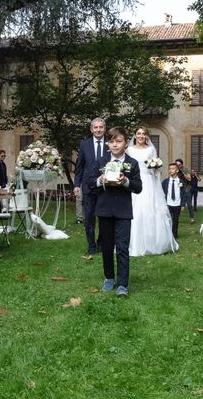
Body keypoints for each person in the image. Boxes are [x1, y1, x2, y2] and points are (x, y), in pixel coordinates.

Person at [89, 126, 142, 297]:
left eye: (118, 141)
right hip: (104, 210)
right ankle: (109, 277)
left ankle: (122, 284)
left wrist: (126, 181)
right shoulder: (100, 161)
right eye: (111, 141)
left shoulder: (132, 163)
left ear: (126, 143)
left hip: (123, 211)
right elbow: (89, 183)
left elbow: (138, 187)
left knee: (122, 247)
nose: (115, 145)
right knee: (106, 247)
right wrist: (99, 180)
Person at [126, 126, 178, 256]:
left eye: (144, 134)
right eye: (138, 133)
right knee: (135, 210)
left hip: (148, 181)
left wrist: (155, 167)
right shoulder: (129, 150)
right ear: (135, 135)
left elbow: (156, 168)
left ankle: (153, 242)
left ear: (147, 136)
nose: (141, 136)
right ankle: (133, 243)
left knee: (150, 209)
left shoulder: (150, 149)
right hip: (135, 181)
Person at [74, 117, 107, 258]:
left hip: (106, 186)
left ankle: (101, 243)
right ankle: (91, 246)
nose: (98, 130)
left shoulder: (110, 144)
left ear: (104, 128)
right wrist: (76, 184)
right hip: (88, 186)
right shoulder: (84, 144)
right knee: (89, 217)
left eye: (101, 127)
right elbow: (79, 166)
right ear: (91, 129)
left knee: (105, 217)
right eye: (96, 127)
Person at [162, 163, 184, 239]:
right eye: (169, 169)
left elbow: (183, 193)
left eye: (173, 169)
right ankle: (167, 234)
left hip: (177, 204)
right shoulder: (165, 182)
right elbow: (162, 192)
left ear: (177, 170)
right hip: (168, 203)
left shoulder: (181, 181)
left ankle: (174, 234)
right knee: (168, 219)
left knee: (176, 220)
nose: (170, 170)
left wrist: (183, 204)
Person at [175, 159, 195, 223]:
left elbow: (189, 179)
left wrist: (183, 174)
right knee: (178, 204)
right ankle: (176, 218)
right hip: (179, 188)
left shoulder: (186, 169)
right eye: (176, 164)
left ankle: (192, 218)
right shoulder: (175, 170)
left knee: (189, 205)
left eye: (179, 164)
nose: (178, 166)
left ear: (182, 164)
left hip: (187, 188)